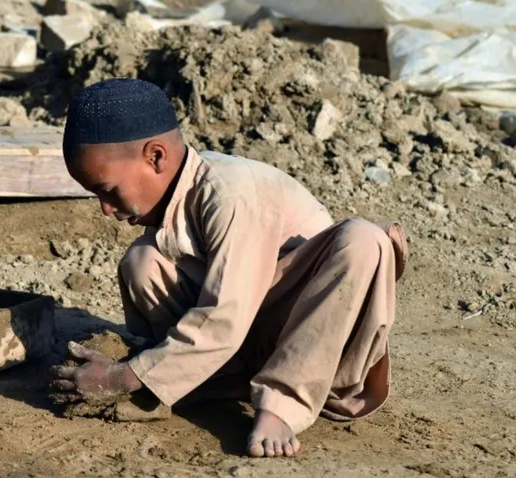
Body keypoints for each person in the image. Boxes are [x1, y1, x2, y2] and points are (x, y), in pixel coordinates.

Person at [50, 78, 408, 458]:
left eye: (108, 190)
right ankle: (211, 380)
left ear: (155, 157)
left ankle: (281, 406)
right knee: (143, 261)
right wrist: (143, 369)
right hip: (247, 337)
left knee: (364, 239)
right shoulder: (181, 199)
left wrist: (124, 377)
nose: (105, 209)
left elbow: (226, 315)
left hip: (313, 343)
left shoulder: (230, 192)